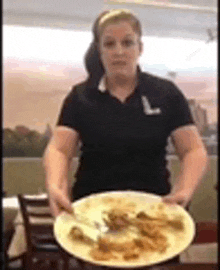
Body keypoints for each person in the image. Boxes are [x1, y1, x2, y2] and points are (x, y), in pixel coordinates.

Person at [44, 9, 208, 220]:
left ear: (140, 48)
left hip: (153, 212)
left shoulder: (166, 93)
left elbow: (193, 149)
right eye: (109, 44)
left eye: (127, 42)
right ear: (100, 50)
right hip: (93, 214)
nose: (118, 51)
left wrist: (184, 189)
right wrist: (56, 185)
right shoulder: (80, 96)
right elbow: (59, 148)